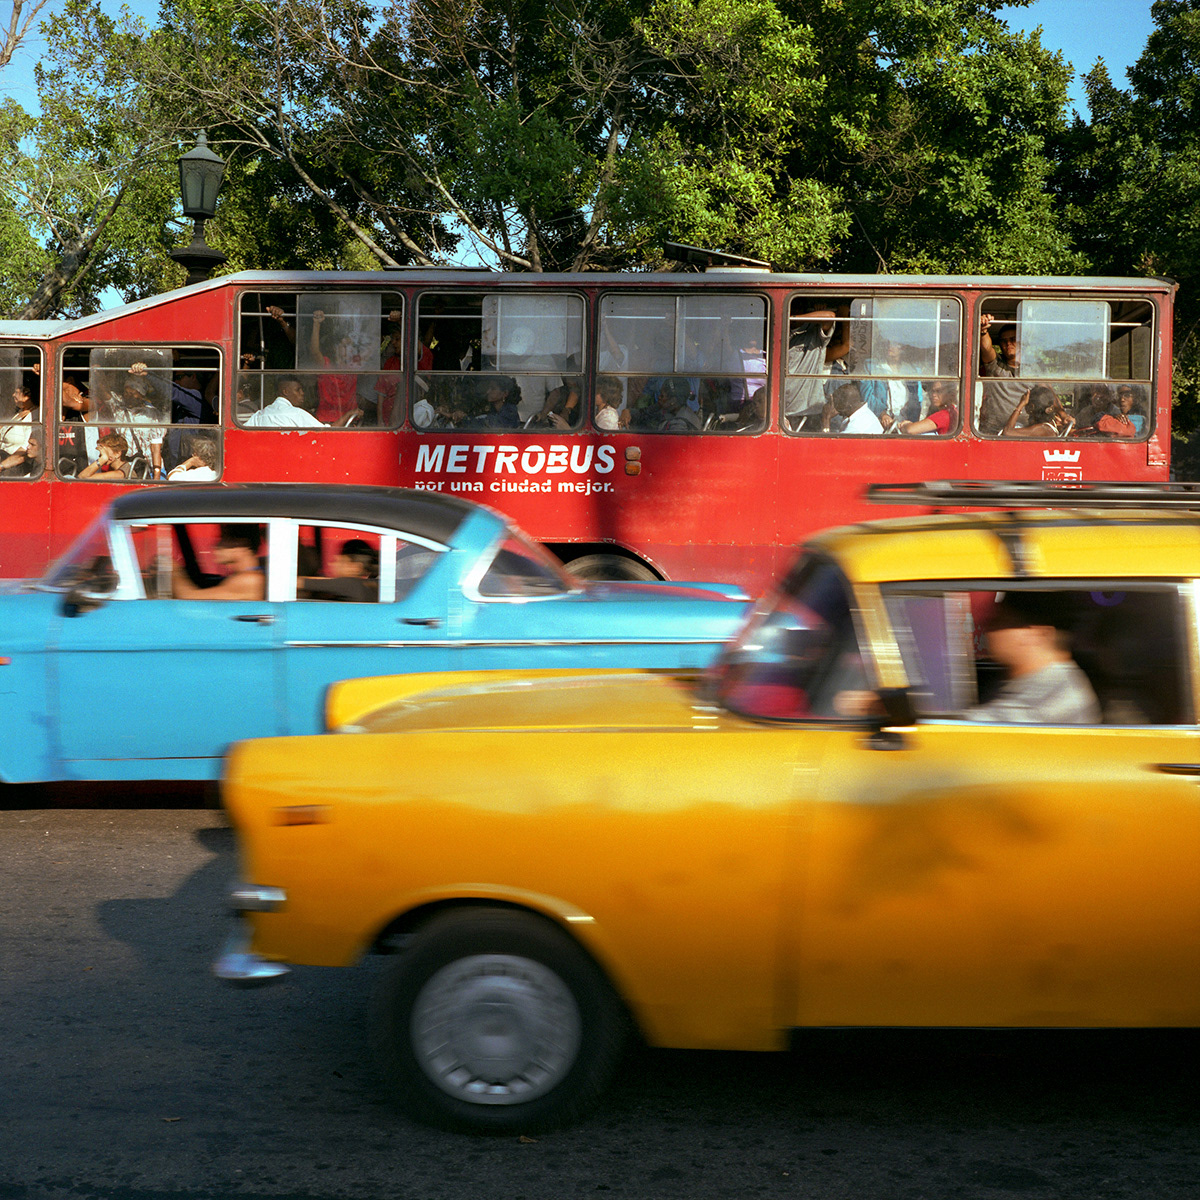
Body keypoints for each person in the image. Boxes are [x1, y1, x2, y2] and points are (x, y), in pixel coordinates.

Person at [965, 595, 1100, 725]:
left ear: (1039, 634)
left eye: (1001, 621)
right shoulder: (1018, 681)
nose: (988, 630)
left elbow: (985, 726)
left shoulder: (1060, 694)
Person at [783, 301, 850, 428]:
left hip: (809, 410)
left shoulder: (814, 338)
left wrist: (791, 318)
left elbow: (829, 317)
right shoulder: (781, 335)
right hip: (786, 407)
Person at [172, 525, 266, 600]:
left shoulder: (250, 579)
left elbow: (188, 597)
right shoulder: (249, 575)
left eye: (223, 539)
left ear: (240, 546)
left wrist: (173, 569)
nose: (215, 546)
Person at [978, 314, 1026, 434]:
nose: (1008, 343)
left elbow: (1048, 391)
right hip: (993, 432)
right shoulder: (995, 365)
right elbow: (986, 348)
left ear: (1021, 342)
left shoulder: (1032, 369)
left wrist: (1062, 414)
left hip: (1025, 431)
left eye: (1013, 339)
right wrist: (983, 331)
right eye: (1004, 341)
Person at [299, 537, 378, 602]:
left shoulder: (351, 585)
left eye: (339, 561)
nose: (332, 564)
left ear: (356, 567)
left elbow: (301, 583)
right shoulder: (371, 585)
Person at [243, 378, 327, 428]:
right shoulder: (297, 414)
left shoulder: (260, 415)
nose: (302, 393)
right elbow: (324, 431)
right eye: (298, 390)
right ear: (285, 392)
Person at [999, 385, 1072, 438]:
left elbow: (1007, 432)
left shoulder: (1042, 429)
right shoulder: (1046, 426)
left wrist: (1020, 405)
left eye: (1027, 405)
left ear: (1031, 407)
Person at [0, 381, 37, 460]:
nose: (13, 395)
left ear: (26, 397)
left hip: (13, 461)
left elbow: (25, 446)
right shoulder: (18, 413)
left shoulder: (33, 416)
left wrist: (5, 464)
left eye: (17, 392)